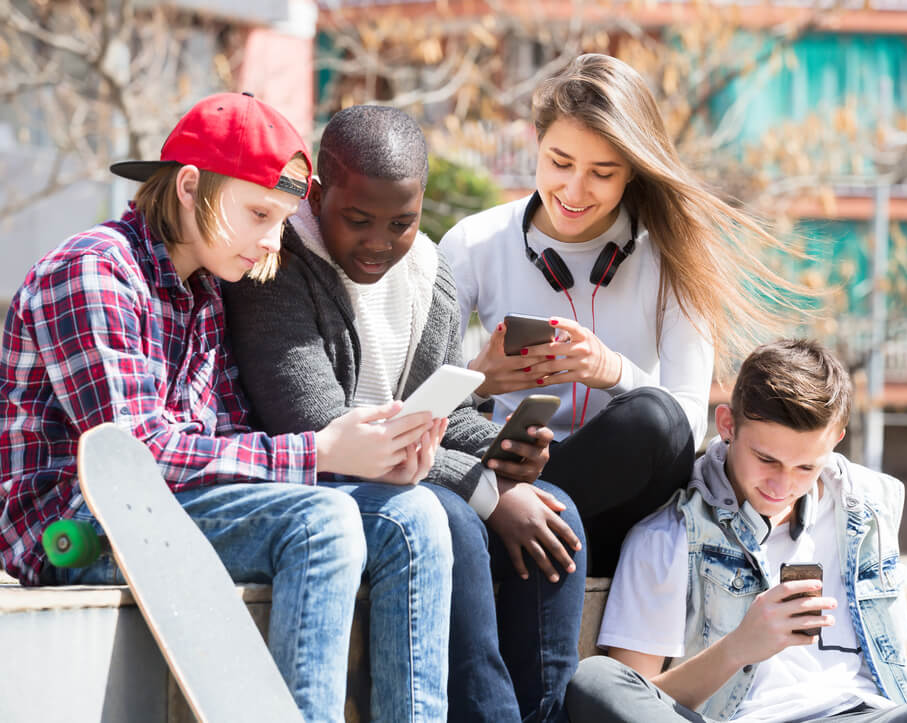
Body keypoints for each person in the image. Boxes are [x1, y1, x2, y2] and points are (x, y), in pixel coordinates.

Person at [0, 92, 454, 723]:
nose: (274, 241)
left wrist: (372, 463)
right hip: (76, 526)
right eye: (260, 214)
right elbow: (134, 461)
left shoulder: (207, 289)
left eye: (284, 218)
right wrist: (320, 453)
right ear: (190, 186)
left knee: (414, 516)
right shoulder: (92, 272)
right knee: (321, 524)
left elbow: (230, 438)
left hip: (172, 505)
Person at [222, 105, 586, 723]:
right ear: (316, 195)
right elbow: (315, 424)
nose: (378, 243)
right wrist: (482, 487)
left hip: (408, 466)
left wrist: (502, 447)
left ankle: (544, 713)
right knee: (454, 519)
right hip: (321, 479)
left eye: (402, 222)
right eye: (357, 219)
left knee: (557, 508)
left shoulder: (430, 271)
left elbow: (436, 409)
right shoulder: (274, 265)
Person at [439, 53, 803, 577]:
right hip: (509, 485)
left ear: (632, 171)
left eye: (601, 173)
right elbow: (426, 410)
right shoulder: (472, 243)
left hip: (621, 506)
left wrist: (611, 372)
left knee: (653, 416)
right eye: (559, 163)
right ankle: (525, 519)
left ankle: (530, 521)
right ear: (536, 144)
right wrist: (482, 381)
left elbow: (684, 424)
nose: (574, 190)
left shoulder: (676, 251)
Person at [566, 339, 907, 723]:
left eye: (806, 467)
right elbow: (641, 697)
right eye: (767, 460)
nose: (783, 485)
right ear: (727, 425)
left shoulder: (867, 514)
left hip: (864, 714)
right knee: (596, 682)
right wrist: (739, 646)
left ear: (836, 442)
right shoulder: (669, 535)